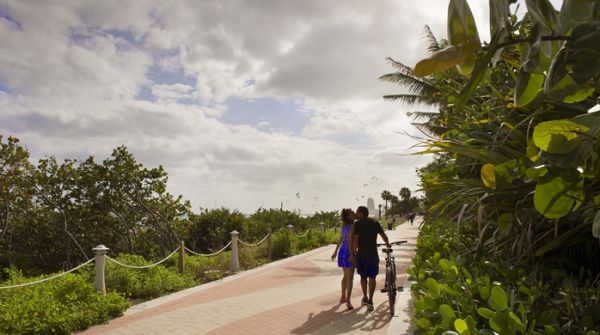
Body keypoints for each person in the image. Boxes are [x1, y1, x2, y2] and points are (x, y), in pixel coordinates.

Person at [349, 206, 390, 312]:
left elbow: (355, 240)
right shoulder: (375, 223)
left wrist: (353, 253)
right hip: (373, 254)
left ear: (361, 213)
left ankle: (365, 297)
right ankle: (371, 300)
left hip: (361, 255)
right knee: (372, 277)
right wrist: (388, 244)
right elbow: (384, 236)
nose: (356, 215)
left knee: (363, 277)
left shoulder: (357, 224)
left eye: (357, 212)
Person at [331, 208, 356, 310]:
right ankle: (348, 301)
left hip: (342, 251)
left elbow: (341, 239)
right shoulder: (353, 226)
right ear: (348, 216)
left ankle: (343, 297)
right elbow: (351, 241)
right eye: (352, 213)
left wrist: (335, 251)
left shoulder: (343, 226)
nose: (354, 214)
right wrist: (352, 254)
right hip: (349, 252)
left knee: (346, 276)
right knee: (350, 278)